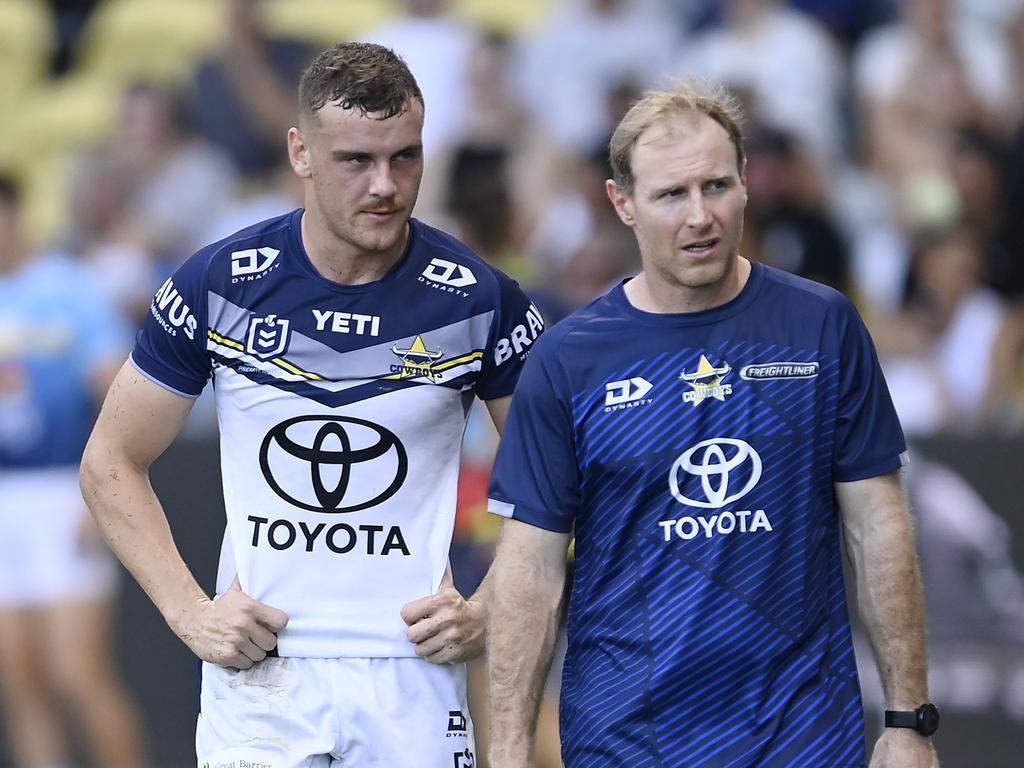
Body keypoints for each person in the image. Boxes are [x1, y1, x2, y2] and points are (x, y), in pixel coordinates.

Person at [79, 42, 543, 767]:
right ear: (300, 151)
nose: (385, 185)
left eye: (406, 157)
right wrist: (189, 612)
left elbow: (558, 480)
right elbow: (110, 460)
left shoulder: (481, 298)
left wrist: (490, 609)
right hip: (262, 673)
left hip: (411, 676)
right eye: (356, 160)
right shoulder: (221, 281)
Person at [485, 80, 941, 768]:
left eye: (716, 187)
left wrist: (908, 722)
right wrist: (511, 753)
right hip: (629, 741)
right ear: (623, 204)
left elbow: (878, 526)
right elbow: (531, 571)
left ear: (747, 185)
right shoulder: (568, 360)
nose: (700, 216)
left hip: (803, 736)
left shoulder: (821, 325)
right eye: (671, 194)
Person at [0, 176, 147, 767]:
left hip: (64, 487)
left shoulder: (70, 289)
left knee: (76, 672)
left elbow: (115, 397)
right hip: (5, 495)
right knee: (20, 680)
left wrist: (99, 497)